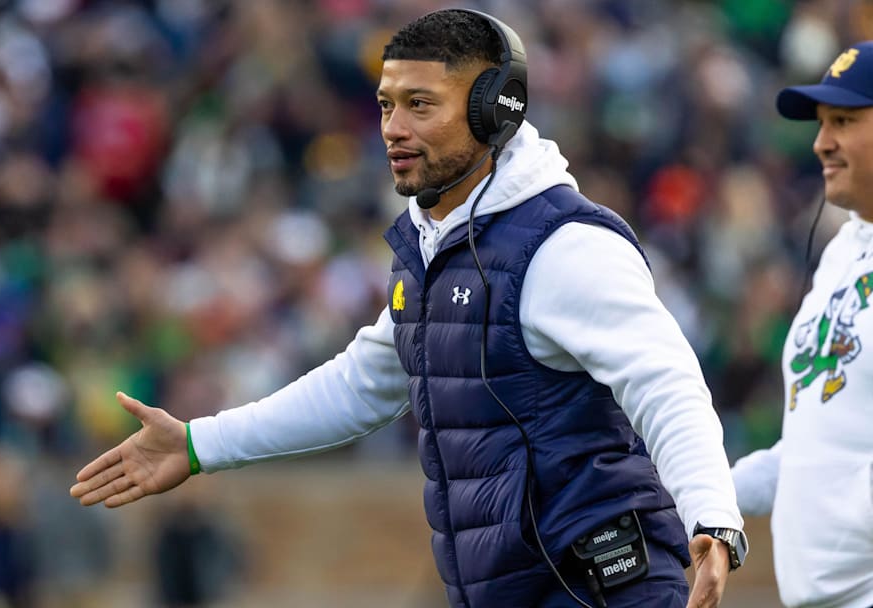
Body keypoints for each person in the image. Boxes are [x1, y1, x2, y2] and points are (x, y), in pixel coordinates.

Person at [71, 9, 746, 608]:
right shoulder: (437, 244)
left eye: (421, 104)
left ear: (494, 110)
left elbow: (665, 382)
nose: (393, 127)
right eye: (387, 104)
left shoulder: (564, 247)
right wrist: (197, 444)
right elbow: (362, 385)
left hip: (599, 584)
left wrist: (712, 516)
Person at [731, 41, 873, 608]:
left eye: (844, 120)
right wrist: (709, 497)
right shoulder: (842, 248)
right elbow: (817, 447)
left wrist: (845, 532)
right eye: (821, 123)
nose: (822, 143)